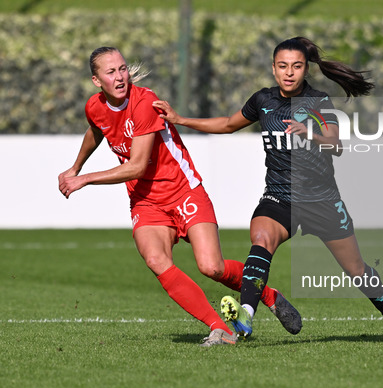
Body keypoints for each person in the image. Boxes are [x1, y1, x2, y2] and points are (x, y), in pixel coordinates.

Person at [152, 37, 383, 344]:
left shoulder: (317, 102)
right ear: (273, 68)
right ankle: (246, 317)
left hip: (321, 200)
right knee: (261, 240)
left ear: (306, 70)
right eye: (282, 66)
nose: (289, 72)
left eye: (296, 66)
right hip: (279, 196)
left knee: (356, 270)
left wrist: (310, 132)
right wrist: (179, 119)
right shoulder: (263, 100)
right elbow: (228, 124)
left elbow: (336, 145)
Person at [58, 47, 302, 347]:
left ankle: (267, 294)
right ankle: (219, 328)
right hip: (146, 201)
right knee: (155, 258)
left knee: (212, 267)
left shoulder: (144, 102)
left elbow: (136, 166)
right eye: (111, 72)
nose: (121, 76)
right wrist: (75, 165)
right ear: (97, 81)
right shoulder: (94, 106)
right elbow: (97, 129)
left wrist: (84, 178)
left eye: (122, 68)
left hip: (183, 190)